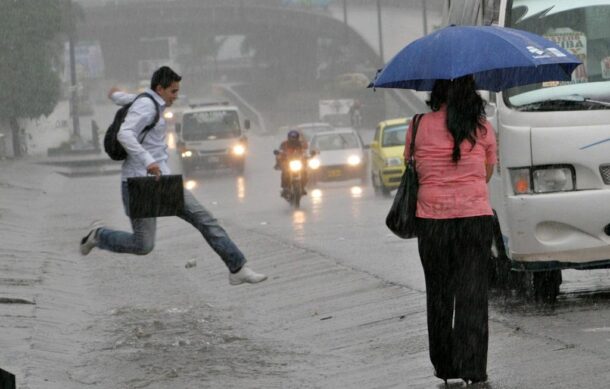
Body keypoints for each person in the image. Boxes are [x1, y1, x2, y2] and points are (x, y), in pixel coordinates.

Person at [80, 66, 267, 286]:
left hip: (162, 182)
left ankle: (237, 268)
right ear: (160, 89)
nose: (176, 97)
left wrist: (114, 95)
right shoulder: (146, 106)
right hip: (139, 183)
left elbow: (127, 99)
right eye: (173, 91)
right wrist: (148, 161)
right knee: (143, 245)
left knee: (205, 220)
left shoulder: (148, 100)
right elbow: (125, 133)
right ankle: (99, 236)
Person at [404, 75, 496, 385]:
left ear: (436, 93)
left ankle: (446, 367)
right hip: (474, 219)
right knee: (472, 297)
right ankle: (472, 368)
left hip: (433, 222)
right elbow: (486, 174)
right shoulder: (482, 128)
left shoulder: (418, 125)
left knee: (440, 295)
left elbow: (412, 165)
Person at [275, 129, 308, 196]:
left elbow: (306, 151)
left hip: (299, 162)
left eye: (295, 137)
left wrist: (309, 155)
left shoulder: (301, 144)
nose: (293, 139)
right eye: (291, 137)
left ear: (297, 137)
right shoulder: (284, 144)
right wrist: (279, 156)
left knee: (304, 172)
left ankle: (302, 187)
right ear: (289, 137)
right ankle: (285, 188)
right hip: (288, 162)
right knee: (285, 172)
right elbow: (280, 152)